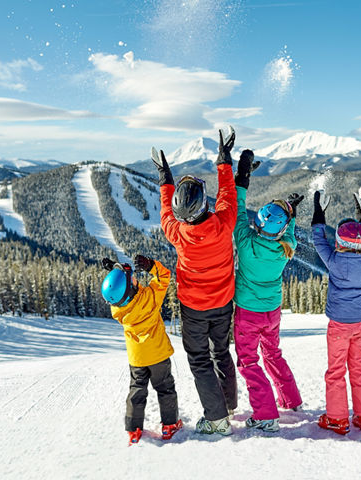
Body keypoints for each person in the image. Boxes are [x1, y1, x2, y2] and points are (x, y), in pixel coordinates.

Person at [150, 126, 238, 436]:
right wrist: (223, 160)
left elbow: (164, 212)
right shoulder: (223, 223)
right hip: (224, 303)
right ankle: (227, 405)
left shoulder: (176, 233)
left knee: (200, 360)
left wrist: (165, 179)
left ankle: (217, 419)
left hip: (194, 309)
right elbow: (228, 192)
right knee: (221, 352)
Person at [232, 150, 304, 433]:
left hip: (248, 313)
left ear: (259, 221)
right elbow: (290, 232)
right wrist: (292, 213)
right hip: (272, 312)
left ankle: (265, 414)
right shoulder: (286, 248)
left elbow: (238, 211)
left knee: (249, 361)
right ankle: (290, 400)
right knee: (273, 354)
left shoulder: (246, 241)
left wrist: (242, 179)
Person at [310, 190, 361, 435]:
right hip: (360, 325)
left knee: (336, 371)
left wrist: (319, 212)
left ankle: (337, 419)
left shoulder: (336, 262)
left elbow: (318, 241)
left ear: (339, 242)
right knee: (358, 367)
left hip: (339, 326)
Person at [100, 254, 182, 445]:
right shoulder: (150, 297)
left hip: (137, 358)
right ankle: (170, 425)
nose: (136, 278)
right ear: (131, 288)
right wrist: (152, 266)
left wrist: (115, 270)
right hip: (158, 354)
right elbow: (164, 276)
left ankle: (133, 429)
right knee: (165, 389)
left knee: (137, 391)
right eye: (134, 279)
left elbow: (119, 289)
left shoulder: (118, 309)